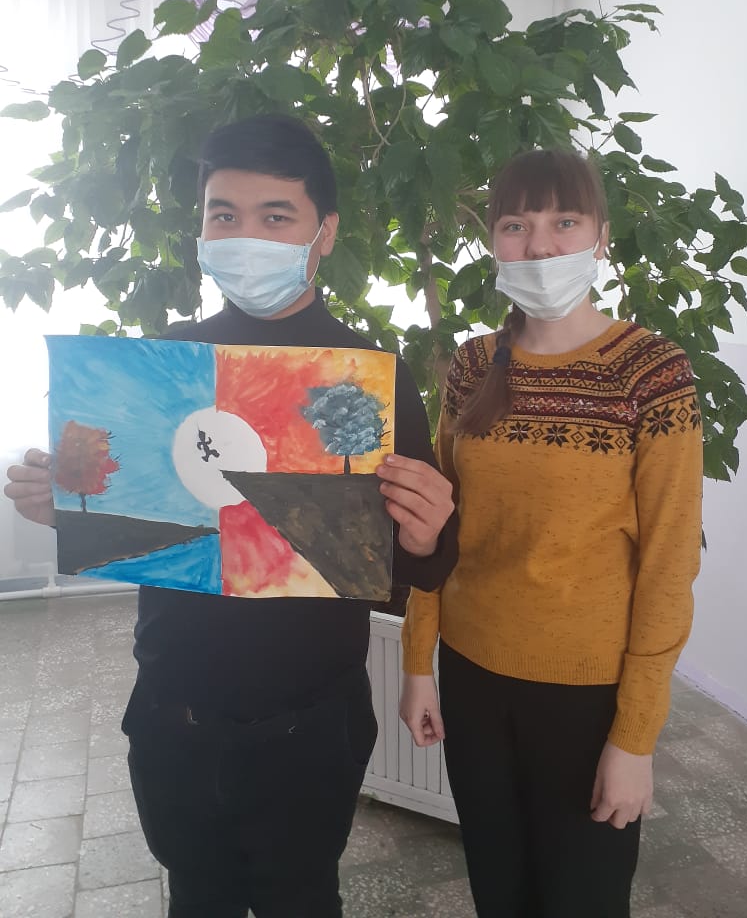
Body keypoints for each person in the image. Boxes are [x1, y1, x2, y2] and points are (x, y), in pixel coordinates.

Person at [4, 113, 458, 918]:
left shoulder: (372, 379)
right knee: (195, 896)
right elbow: (134, 518)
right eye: (224, 215)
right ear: (202, 229)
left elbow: (416, 565)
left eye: (275, 216)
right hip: (172, 710)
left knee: (302, 898)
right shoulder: (161, 363)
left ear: (324, 232)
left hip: (310, 724)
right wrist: (64, 508)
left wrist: (429, 535)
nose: (246, 236)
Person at [399, 148, 703, 918]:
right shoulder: (472, 367)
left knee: (582, 899)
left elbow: (668, 567)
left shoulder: (652, 373)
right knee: (498, 889)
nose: (539, 246)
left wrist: (635, 737)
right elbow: (436, 529)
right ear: (493, 242)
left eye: (563, 222)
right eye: (516, 225)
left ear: (600, 236)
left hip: (587, 697)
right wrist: (418, 664)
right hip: (473, 676)